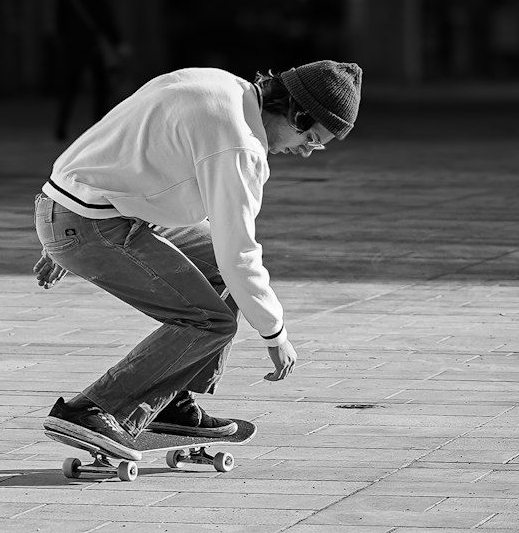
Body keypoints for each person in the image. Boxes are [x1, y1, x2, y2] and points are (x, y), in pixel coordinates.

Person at [33, 58, 363, 461]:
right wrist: (275, 335)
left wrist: (64, 209)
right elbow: (239, 252)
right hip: (91, 222)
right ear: (297, 113)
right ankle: (96, 409)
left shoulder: (219, 84)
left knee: (214, 268)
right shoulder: (239, 147)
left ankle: (171, 403)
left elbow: (123, 135)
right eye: (312, 138)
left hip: (84, 206)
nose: (308, 153)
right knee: (210, 321)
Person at [53, 0, 130, 141]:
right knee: (100, 88)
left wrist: (65, 44)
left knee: (70, 87)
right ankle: (99, 127)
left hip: (74, 47)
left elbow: (59, 21)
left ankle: (61, 127)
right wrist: (118, 41)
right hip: (94, 45)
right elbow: (105, 17)